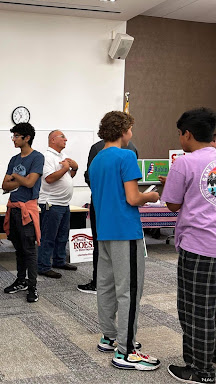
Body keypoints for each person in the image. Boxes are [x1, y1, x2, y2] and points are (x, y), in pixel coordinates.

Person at [89, 111, 161, 371]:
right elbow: (132, 198)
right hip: (126, 232)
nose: (132, 133)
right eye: (131, 128)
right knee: (129, 291)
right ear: (124, 130)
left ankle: (109, 337)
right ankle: (126, 351)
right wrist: (151, 197)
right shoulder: (126, 155)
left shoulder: (96, 160)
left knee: (106, 287)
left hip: (105, 232)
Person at [161, 108, 216, 384]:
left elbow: (173, 204)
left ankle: (201, 370)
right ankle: (213, 359)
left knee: (195, 308)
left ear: (188, 135)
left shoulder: (184, 162)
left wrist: (171, 184)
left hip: (199, 246)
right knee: (214, 307)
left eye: (180, 134)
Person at [77, 139, 138, 294]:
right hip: (124, 207)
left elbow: (90, 177)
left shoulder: (97, 150)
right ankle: (119, 283)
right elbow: (132, 183)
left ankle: (100, 283)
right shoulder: (131, 149)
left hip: (101, 203)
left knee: (101, 245)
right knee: (124, 247)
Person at [2, 123, 44, 303]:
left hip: (28, 209)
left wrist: (16, 178)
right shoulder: (13, 159)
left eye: (16, 136)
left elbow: (30, 183)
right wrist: (23, 180)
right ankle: (21, 280)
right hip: (14, 208)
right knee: (18, 248)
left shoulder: (37, 157)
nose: (13, 139)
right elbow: (5, 185)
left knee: (29, 250)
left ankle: (33, 286)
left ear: (26, 138)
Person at [37, 130, 78, 279]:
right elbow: (49, 178)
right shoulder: (47, 157)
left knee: (62, 235)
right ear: (53, 140)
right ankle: (43, 266)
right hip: (51, 203)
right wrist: (66, 168)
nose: (66, 139)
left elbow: (68, 177)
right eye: (63, 137)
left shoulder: (61, 156)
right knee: (48, 237)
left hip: (63, 203)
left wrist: (74, 168)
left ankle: (59, 261)